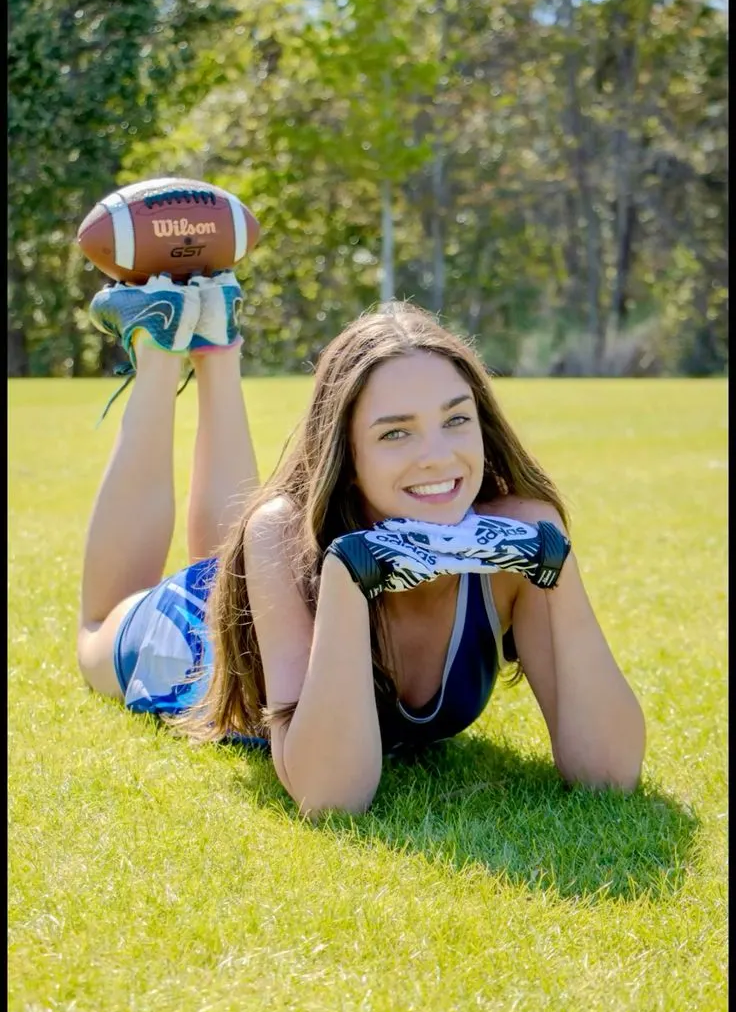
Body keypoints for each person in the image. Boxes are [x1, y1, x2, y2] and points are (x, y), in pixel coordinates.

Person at [78, 272, 646, 816]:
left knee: (229, 544)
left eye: (456, 420)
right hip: (197, 632)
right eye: (395, 432)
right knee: (97, 633)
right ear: (346, 456)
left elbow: (609, 774)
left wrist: (559, 572)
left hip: (266, 590)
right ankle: (156, 347)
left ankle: (218, 340)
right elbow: (329, 797)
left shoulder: (523, 534)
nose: (438, 457)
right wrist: (347, 582)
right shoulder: (281, 533)